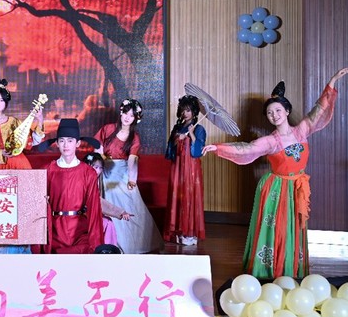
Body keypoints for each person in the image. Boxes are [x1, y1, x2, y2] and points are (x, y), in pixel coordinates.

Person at [203, 68, 348, 279]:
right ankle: (270, 271)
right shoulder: (270, 141)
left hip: (297, 187)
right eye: (270, 113)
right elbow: (245, 149)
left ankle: (292, 270)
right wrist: (217, 148)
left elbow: (320, 109)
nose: (274, 115)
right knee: (277, 229)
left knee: (294, 227)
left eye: (278, 110)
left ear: (287, 111)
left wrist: (332, 82)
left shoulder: (302, 130)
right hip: (276, 190)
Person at [94, 98, 163, 254]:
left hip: (122, 172)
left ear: (135, 118)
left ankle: (132, 243)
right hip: (105, 170)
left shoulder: (134, 137)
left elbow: (132, 159)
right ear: (121, 112)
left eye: (131, 115)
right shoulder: (108, 129)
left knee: (130, 205)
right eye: (126, 113)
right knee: (108, 205)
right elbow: (97, 148)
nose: (127, 117)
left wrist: (132, 179)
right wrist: (100, 163)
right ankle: (111, 241)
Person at [39, 119, 104, 254]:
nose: (66, 145)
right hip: (54, 230)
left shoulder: (88, 172)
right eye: (62, 140)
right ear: (57, 143)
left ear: (78, 143)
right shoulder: (48, 170)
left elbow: (94, 209)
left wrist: (96, 244)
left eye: (70, 141)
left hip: (79, 232)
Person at [0, 78, 45, 170]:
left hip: (19, 164)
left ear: (6, 103)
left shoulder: (14, 122)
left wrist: (40, 120)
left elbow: (34, 141)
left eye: (1, 100)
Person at [164, 95, 206, 246]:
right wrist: (177, 139)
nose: (185, 113)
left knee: (190, 195)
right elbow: (171, 148)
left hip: (191, 168)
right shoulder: (177, 128)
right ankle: (177, 230)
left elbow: (199, 151)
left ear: (194, 111)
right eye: (183, 110)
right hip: (178, 166)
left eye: (188, 110)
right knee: (177, 195)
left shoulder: (199, 128)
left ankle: (190, 232)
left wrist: (191, 135)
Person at [85, 153, 131, 246]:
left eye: (100, 168)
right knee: (106, 223)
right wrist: (120, 212)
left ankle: (107, 250)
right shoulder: (84, 180)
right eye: (95, 167)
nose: (98, 171)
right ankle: (105, 250)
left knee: (107, 221)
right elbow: (97, 201)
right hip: (78, 215)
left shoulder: (94, 180)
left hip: (87, 213)